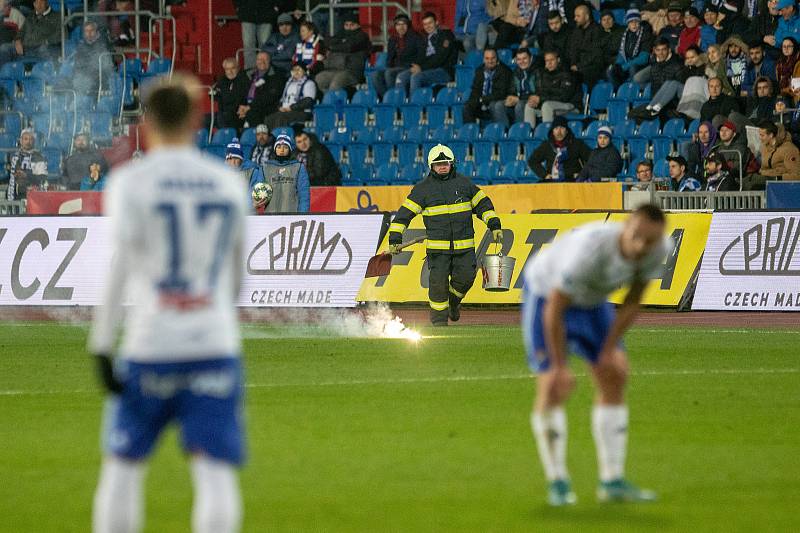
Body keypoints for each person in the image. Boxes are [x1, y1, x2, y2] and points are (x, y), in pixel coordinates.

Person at [88, 75, 249, 533]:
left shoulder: (129, 183)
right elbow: (236, 278)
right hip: (213, 342)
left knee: (122, 469)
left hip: (151, 345)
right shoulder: (226, 183)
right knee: (215, 473)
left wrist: (101, 345)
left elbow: (120, 269)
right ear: (199, 118)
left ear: (147, 123)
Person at [521, 204, 669, 506]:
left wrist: (608, 349)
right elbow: (555, 309)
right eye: (636, 236)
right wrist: (560, 366)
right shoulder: (589, 249)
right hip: (546, 293)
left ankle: (612, 481)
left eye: (650, 241)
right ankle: (558, 482)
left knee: (615, 373)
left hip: (593, 301)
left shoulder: (659, 249)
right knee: (551, 385)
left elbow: (632, 300)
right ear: (626, 226)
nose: (641, 246)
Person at [387, 144, 502, 326]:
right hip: (437, 252)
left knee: (465, 280)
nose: (442, 166)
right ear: (431, 166)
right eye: (438, 163)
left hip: (465, 249)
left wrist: (494, 225)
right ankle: (440, 324)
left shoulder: (465, 185)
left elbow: (484, 206)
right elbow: (403, 216)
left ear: (452, 164)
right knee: (438, 288)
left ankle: (453, 303)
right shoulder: (422, 190)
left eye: (445, 163)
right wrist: (394, 239)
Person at [395, 12, 458, 94]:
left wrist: (421, 68)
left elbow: (440, 58)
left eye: (430, 23)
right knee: (401, 77)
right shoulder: (424, 38)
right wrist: (415, 66)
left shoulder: (446, 35)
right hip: (427, 69)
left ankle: (414, 105)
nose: (427, 26)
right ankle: (401, 104)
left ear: (436, 22)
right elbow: (421, 56)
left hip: (443, 70)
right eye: (425, 24)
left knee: (416, 77)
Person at [252, 134, 310, 213]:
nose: (281, 150)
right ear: (275, 149)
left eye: (285, 147)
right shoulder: (265, 168)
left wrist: (302, 215)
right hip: (271, 217)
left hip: (292, 218)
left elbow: (304, 196)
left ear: (289, 150)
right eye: (278, 147)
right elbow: (257, 192)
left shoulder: (299, 167)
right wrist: (256, 202)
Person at [314, 13, 370, 91]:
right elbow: (328, 42)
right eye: (346, 25)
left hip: (351, 71)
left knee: (336, 83)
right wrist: (340, 44)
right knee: (318, 79)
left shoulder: (362, 36)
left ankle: (334, 102)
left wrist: (334, 46)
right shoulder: (341, 34)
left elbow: (349, 47)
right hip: (333, 69)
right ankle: (326, 101)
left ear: (358, 26)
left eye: (352, 25)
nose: (349, 27)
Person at [372, 14, 423, 98]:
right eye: (398, 25)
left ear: (408, 25)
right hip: (396, 67)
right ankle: (387, 98)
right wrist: (389, 66)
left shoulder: (416, 37)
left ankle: (396, 98)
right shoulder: (393, 39)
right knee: (375, 75)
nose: (401, 27)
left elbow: (420, 55)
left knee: (389, 73)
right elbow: (389, 58)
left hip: (409, 67)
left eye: (403, 24)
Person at [527, 116, 590, 181]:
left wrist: (582, 174)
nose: (559, 132)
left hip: (573, 180)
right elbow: (532, 161)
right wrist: (544, 175)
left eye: (562, 128)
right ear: (553, 131)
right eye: (556, 128)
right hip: (553, 181)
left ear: (567, 131)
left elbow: (592, 160)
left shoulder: (577, 143)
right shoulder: (547, 145)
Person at [463, 47, 514, 124]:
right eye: (487, 58)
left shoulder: (505, 71)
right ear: (483, 59)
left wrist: (482, 99)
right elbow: (475, 89)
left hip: (497, 102)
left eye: (493, 58)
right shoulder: (479, 70)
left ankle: (500, 131)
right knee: (467, 106)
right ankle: (471, 132)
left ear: (497, 58)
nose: (490, 61)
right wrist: (473, 101)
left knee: (494, 104)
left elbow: (500, 93)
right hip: (482, 103)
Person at [745, 118, 800, 189]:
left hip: (780, 185)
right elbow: (763, 169)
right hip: (765, 178)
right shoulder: (764, 147)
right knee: (743, 182)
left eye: (762, 135)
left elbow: (797, 176)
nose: (760, 138)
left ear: (771, 135)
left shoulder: (790, 149)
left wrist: (776, 178)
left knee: (750, 186)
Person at [238, 51, 285, 129]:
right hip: (247, 106)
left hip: (266, 107)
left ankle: (258, 139)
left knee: (252, 113)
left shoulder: (276, 76)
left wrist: (249, 107)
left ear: (270, 61)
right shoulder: (249, 74)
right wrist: (241, 107)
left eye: (265, 59)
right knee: (229, 114)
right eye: (259, 59)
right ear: (256, 61)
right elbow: (240, 92)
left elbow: (268, 97)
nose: (262, 62)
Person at [530, 49, 579, 125]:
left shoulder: (567, 74)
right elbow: (541, 92)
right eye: (547, 61)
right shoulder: (544, 75)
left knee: (547, 106)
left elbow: (564, 96)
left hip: (570, 105)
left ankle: (547, 134)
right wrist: (535, 99)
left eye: (552, 60)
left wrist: (541, 99)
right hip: (550, 104)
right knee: (529, 106)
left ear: (558, 60)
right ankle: (529, 134)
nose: (549, 63)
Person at [609, 9, 653, 88]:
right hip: (628, 64)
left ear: (639, 22)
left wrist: (625, 66)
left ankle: (633, 91)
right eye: (631, 22)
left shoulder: (645, 34)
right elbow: (622, 53)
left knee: (632, 68)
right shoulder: (626, 35)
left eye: (636, 21)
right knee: (611, 70)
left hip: (642, 65)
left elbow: (644, 58)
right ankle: (619, 92)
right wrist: (618, 64)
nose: (634, 24)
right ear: (628, 24)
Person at [71, 20, 114, 97]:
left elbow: (107, 67)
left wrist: (92, 73)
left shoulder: (103, 45)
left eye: (92, 30)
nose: (89, 33)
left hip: (99, 78)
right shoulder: (80, 47)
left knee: (86, 83)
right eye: (87, 31)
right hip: (83, 77)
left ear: (97, 32)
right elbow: (77, 65)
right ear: (84, 33)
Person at [568, 4, 605, 88]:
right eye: (575, 16)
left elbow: (595, 53)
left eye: (578, 16)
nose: (575, 19)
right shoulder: (576, 31)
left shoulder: (597, 30)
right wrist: (573, 64)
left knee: (580, 75)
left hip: (593, 65)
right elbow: (573, 50)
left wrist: (579, 66)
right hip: (579, 65)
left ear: (587, 17)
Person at [6, 128, 46, 200]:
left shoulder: (38, 157)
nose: (28, 142)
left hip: (31, 196)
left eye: (31, 139)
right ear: (21, 141)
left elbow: (42, 178)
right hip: (13, 194)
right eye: (26, 139)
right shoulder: (13, 155)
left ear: (34, 141)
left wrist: (26, 175)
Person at [213, 57, 250, 131]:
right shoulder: (222, 80)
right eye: (227, 69)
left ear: (238, 68)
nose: (230, 71)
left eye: (233, 68)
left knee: (222, 117)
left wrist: (222, 94)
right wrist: (222, 94)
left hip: (238, 113)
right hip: (224, 112)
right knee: (203, 119)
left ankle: (226, 140)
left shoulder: (243, 80)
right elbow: (213, 95)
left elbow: (236, 98)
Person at [503, 47, 537, 127]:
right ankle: (505, 132)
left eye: (524, 58)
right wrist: (510, 97)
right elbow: (511, 89)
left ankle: (522, 131)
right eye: (519, 59)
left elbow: (537, 92)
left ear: (530, 58)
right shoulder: (516, 71)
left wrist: (519, 98)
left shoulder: (537, 70)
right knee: (499, 105)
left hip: (531, 100)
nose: (521, 62)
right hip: (519, 98)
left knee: (520, 105)